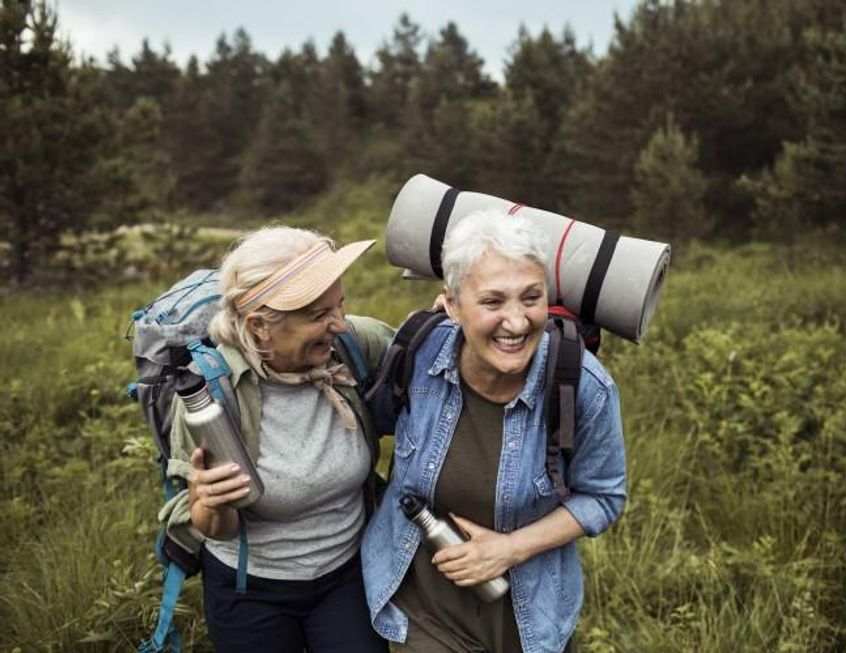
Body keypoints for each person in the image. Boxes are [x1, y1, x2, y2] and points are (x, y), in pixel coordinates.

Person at [362, 210, 627, 653]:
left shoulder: (581, 385)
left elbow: (603, 496)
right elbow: (370, 427)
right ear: (450, 305)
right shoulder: (417, 356)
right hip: (424, 614)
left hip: (532, 618)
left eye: (531, 297)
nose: (518, 322)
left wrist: (510, 549)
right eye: (492, 302)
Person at [167, 226, 392, 652]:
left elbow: (435, 364)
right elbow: (215, 528)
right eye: (317, 314)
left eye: (339, 304)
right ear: (259, 325)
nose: (339, 323)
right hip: (249, 588)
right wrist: (210, 502)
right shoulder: (211, 393)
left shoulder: (354, 346)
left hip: (348, 574)